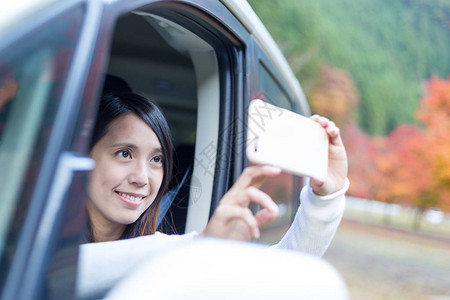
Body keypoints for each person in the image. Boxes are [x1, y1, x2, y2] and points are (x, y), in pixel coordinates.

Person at [77, 89, 349, 298]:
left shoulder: (166, 261)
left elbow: (284, 271)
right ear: (82, 156)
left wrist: (327, 197)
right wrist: (199, 246)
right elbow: (69, 271)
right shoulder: (37, 239)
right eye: (124, 154)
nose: (141, 178)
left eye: (156, 160)